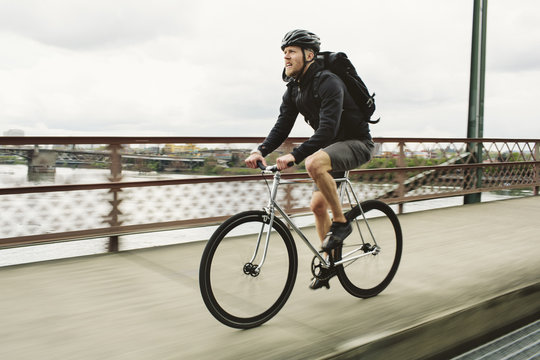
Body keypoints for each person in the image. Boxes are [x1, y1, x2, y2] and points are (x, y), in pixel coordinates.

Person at [245, 29, 374, 290]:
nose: (286, 57)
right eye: (284, 53)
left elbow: (327, 130)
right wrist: (261, 150)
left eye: (291, 51)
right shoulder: (294, 89)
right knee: (316, 206)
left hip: (357, 143)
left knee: (313, 163)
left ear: (309, 54)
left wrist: (294, 155)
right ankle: (328, 264)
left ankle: (341, 224)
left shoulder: (329, 82)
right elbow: (282, 126)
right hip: (330, 151)